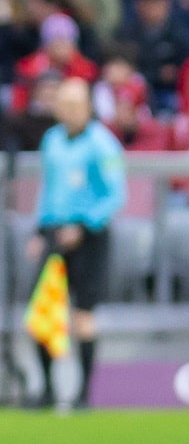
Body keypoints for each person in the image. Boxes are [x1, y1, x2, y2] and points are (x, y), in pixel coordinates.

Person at [27, 78, 126, 410]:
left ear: (87, 107)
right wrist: (40, 230)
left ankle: (83, 393)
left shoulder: (103, 144)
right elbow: (48, 189)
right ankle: (47, 390)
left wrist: (84, 225)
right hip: (55, 232)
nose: (68, 111)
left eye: (75, 105)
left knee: (83, 314)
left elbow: (115, 194)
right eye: (63, 104)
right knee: (44, 312)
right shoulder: (52, 140)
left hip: (89, 236)